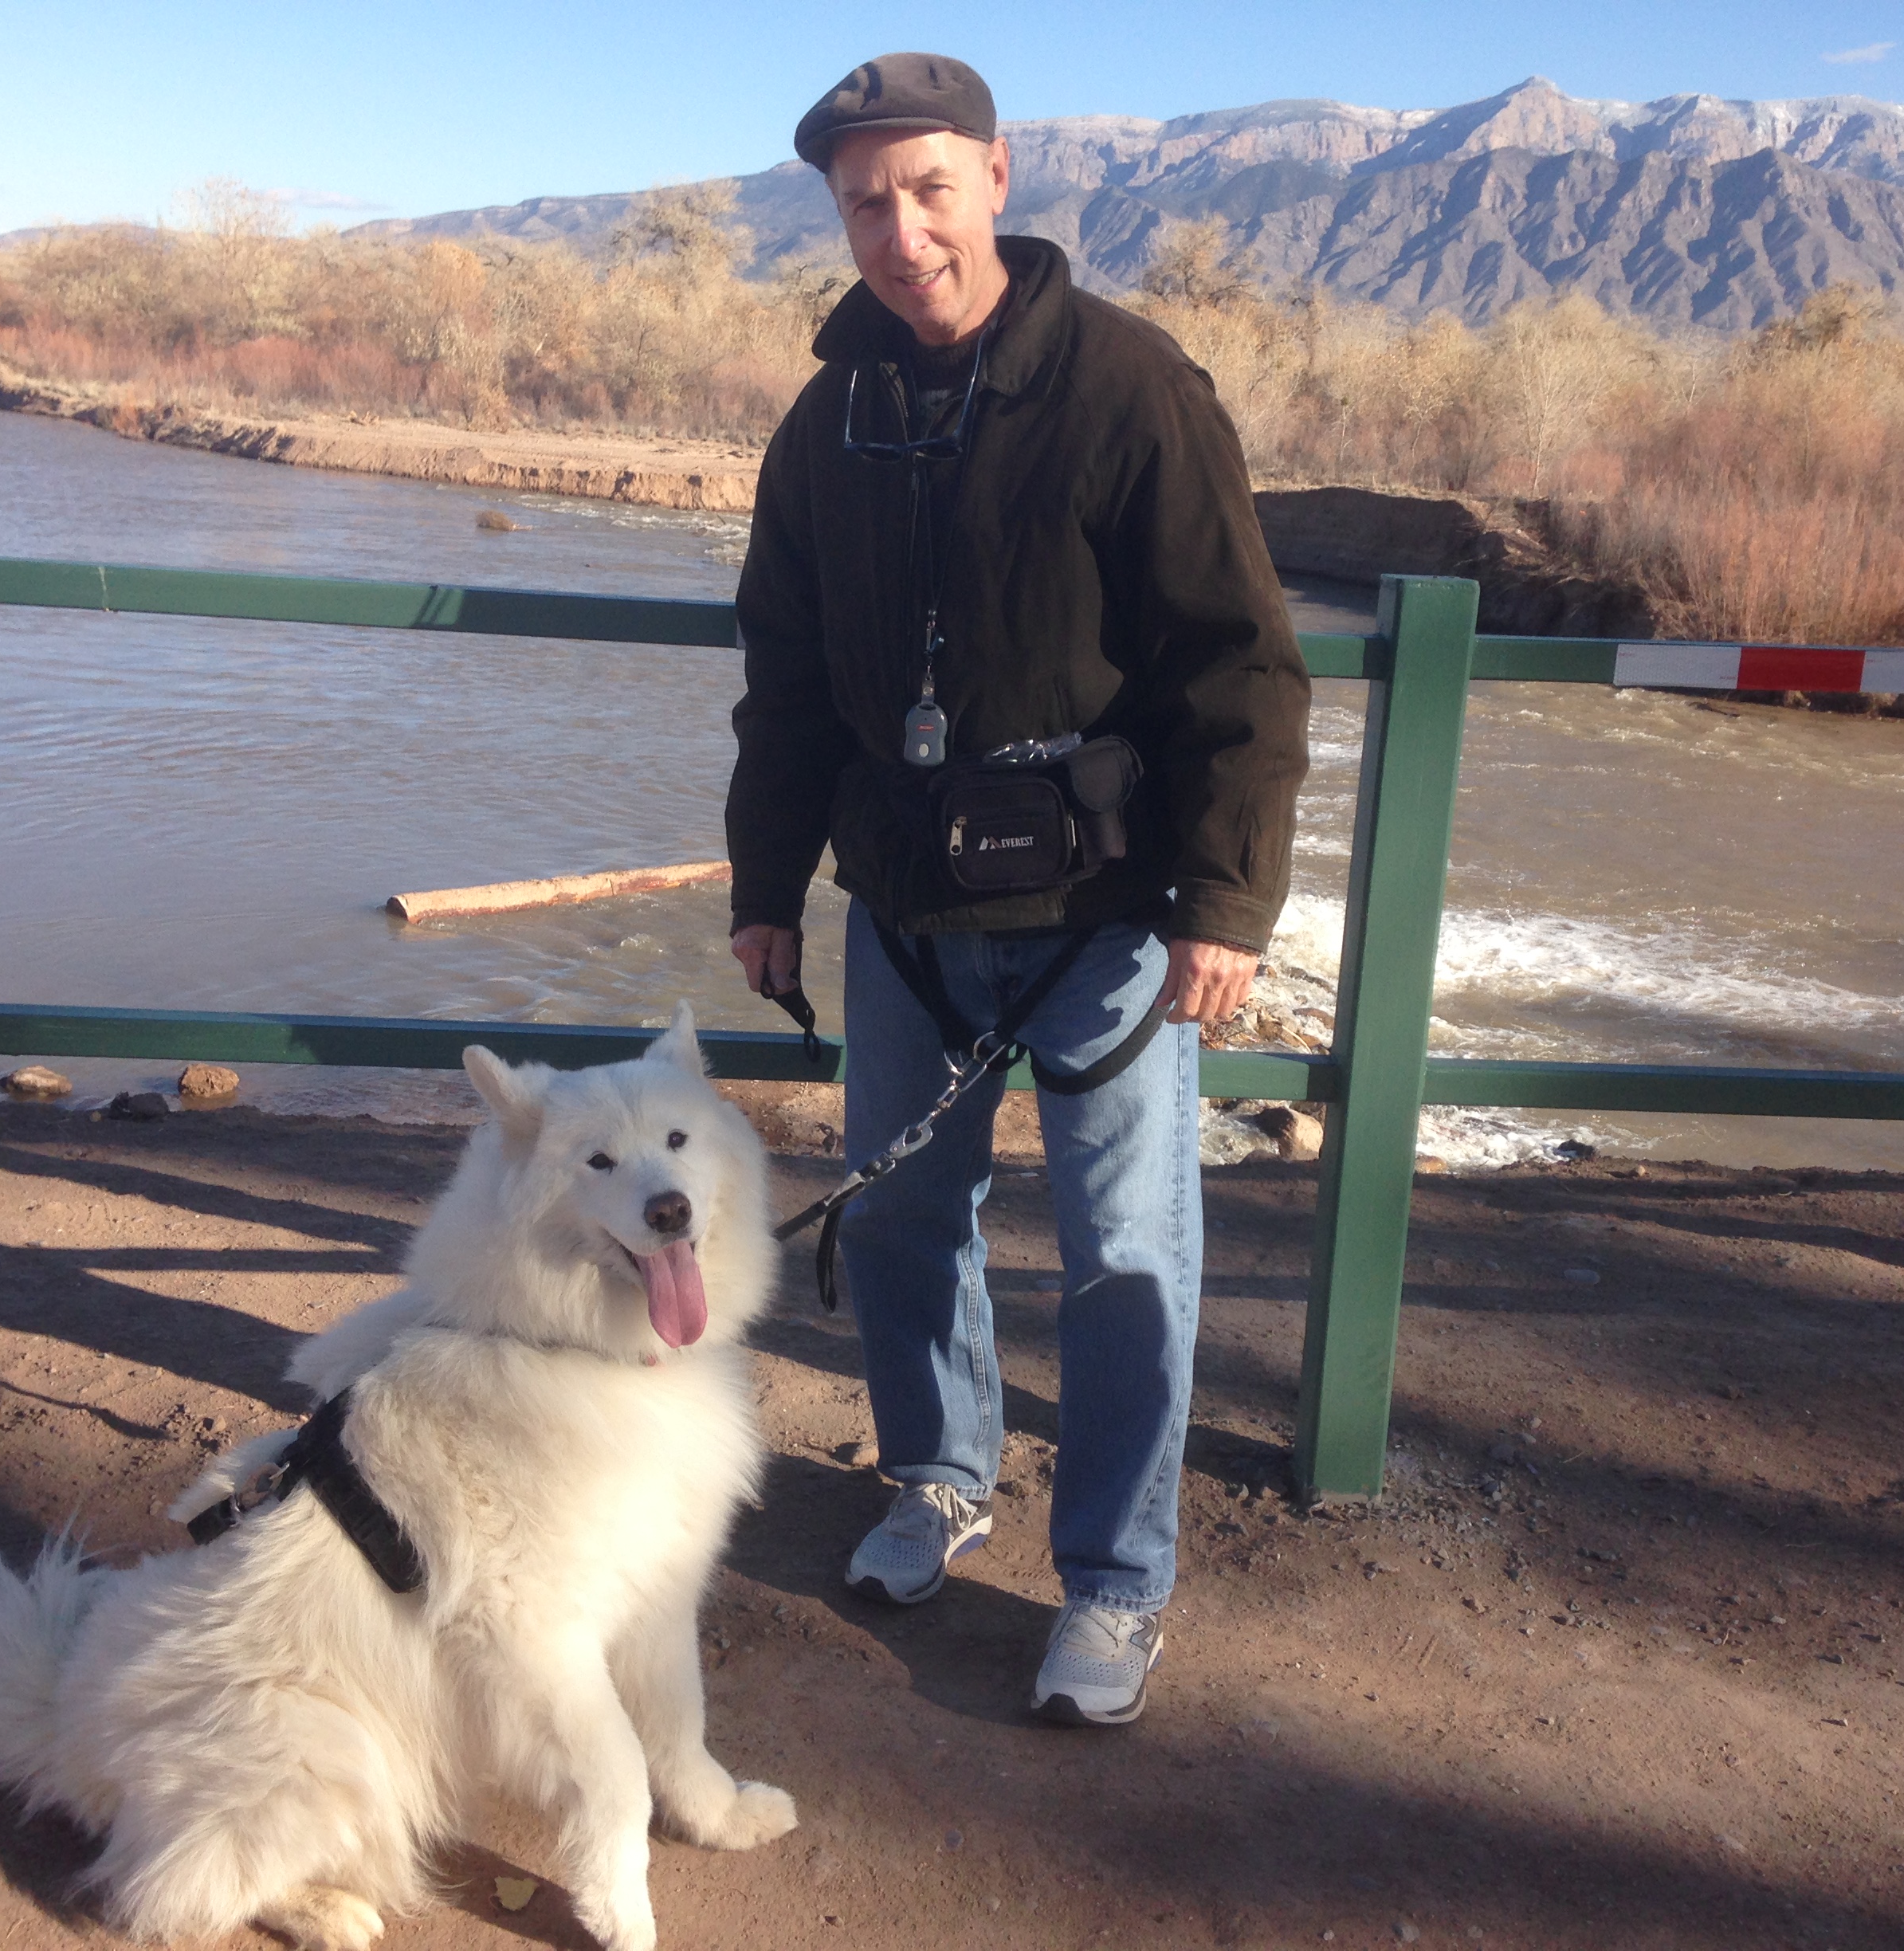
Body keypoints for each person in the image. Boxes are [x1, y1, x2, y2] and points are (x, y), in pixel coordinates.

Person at [724, 52, 1309, 1726]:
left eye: (924, 188)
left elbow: (1240, 668)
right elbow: (784, 677)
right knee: (906, 1213)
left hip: (1108, 925)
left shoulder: (1132, 389)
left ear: (996, 175)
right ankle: (937, 1478)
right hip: (901, 913)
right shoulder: (826, 419)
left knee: (1128, 1254)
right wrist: (772, 882)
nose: (899, 231)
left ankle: (1117, 1586)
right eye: (861, 201)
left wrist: (1223, 904)